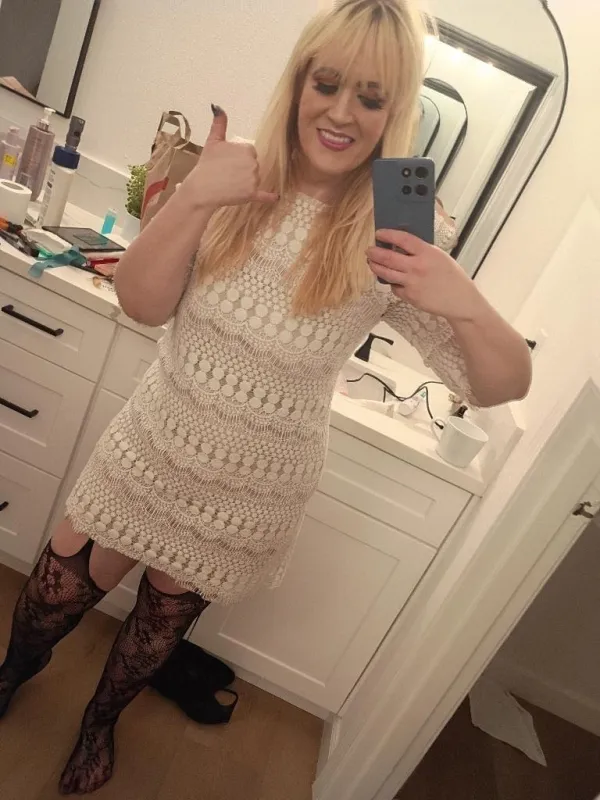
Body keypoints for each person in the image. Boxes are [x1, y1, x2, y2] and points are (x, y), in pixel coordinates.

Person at [0, 0, 532, 793]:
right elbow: (141, 303)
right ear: (300, 81)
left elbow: (499, 383)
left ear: (397, 112)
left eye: (373, 97)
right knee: (61, 582)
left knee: (159, 621)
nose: (343, 113)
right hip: (156, 439)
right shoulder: (236, 173)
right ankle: (12, 672)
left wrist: (464, 300)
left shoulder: (398, 220)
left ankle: (98, 725)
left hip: (253, 483)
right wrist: (194, 197)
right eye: (328, 83)